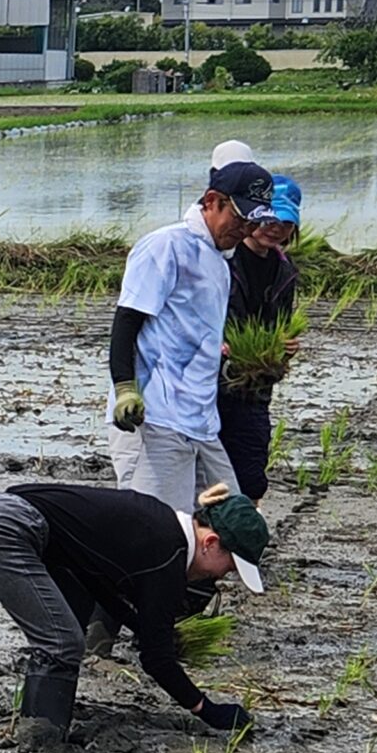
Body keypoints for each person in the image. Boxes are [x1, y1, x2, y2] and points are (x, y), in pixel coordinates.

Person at [0, 480, 269, 752]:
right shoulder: (167, 555)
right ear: (211, 543)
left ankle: (41, 721)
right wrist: (207, 709)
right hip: (3, 527)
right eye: (229, 567)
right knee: (62, 642)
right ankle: (41, 740)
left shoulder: (161, 526)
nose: (222, 576)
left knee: (70, 621)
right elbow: (156, 659)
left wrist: (140, 627)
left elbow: (96, 583)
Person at [108, 160, 276, 509]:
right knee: (156, 529)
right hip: (156, 420)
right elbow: (126, 321)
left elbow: (198, 334)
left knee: (232, 523)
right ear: (213, 201)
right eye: (239, 216)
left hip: (201, 420)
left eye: (252, 221)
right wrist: (124, 387)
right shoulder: (166, 246)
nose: (245, 229)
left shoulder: (220, 259)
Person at [220, 176, 302, 499]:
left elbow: (278, 328)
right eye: (268, 218)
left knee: (252, 478)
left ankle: (240, 546)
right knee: (209, 477)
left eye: (284, 222)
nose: (275, 228)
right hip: (212, 384)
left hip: (255, 389)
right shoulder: (225, 260)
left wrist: (283, 350)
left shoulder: (285, 270)